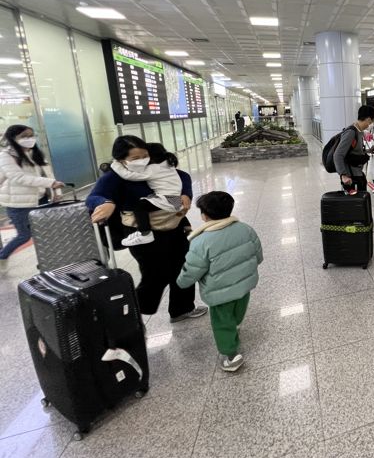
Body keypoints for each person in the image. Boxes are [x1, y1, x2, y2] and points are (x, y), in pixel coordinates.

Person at [87, 136, 207, 323]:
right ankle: (130, 318)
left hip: (172, 226)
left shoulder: (154, 166)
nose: (143, 160)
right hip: (143, 232)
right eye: (136, 158)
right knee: (156, 276)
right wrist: (106, 203)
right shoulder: (114, 177)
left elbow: (181, 176)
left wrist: (185, 194)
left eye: (145, 155)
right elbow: (94, 196)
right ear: (121, 160)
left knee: (184, 267)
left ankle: (181, 309)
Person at [176, 191, 263, 373]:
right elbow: (258, 256)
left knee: (222, 322)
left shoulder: (201, 242)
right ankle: (235, 326)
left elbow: (192, 269)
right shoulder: (245, 229)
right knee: (238, 310)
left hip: (219, 293)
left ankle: (230, 356)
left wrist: (182, 282)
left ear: (204, 215)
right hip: (244, 285)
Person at [0, 125, 64, 260]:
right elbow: (18, 177)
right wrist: (50, 183)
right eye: (24, 136)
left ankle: (48, 259)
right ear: (13, 138)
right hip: (18, 204)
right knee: (24, 235)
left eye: (31, 135)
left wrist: (56, 191)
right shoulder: (6, 156)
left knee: (45, 232)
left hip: (40, 199)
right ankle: (2, 256)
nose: (29, 139)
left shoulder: (35, 153)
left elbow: (48, 173)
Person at [111, 143, 183, 247]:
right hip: (175, 199)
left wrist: (116, 164)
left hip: (169, 199)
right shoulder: (167, 163)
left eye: (145, 156)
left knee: (139, 206)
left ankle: (145, 233)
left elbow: (129, 175)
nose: (142, 160)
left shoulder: (153, 168)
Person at [334, 105, 374, 193]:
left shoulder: (359, 131)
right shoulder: (351, 132)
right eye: (372, 122)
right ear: (368, 119)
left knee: (360, 203)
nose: (371, 125)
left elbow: (354, 151)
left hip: (358, 174)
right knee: (354, 205)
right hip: (351, 178)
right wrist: (343, 175)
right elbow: (338, 154)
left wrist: (368, 151)